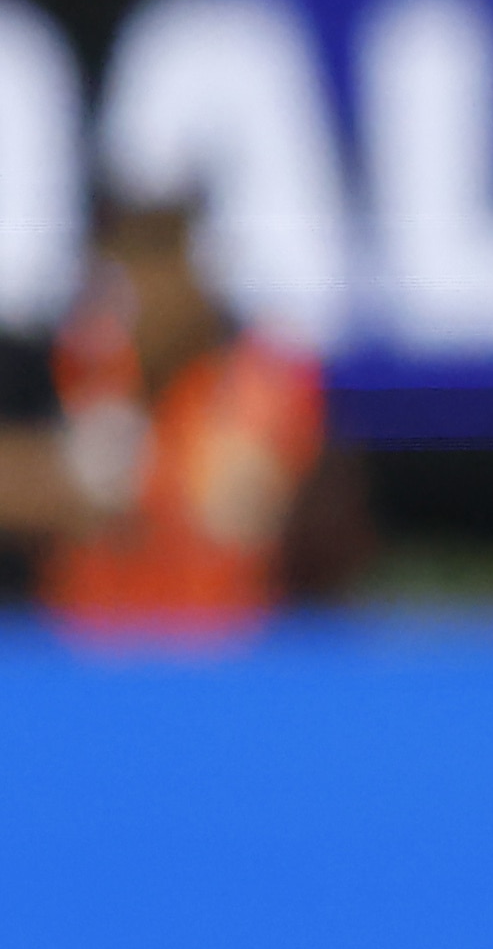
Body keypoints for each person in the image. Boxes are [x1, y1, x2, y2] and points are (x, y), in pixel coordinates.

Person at [0, 188, 342, 630]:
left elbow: (235, 506)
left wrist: (112, 474)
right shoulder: (85, 364)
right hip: (83, 660)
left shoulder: (258, 370)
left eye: (161, 261)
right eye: (128, 263)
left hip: (215, 659)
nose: (144, 289)